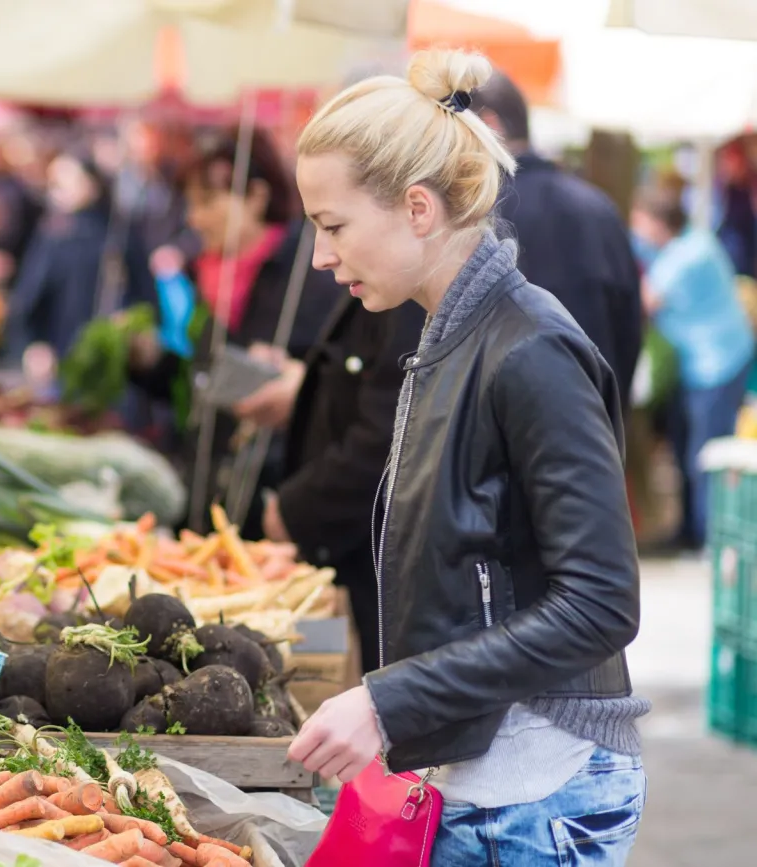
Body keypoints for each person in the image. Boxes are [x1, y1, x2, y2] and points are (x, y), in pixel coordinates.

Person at [286, 50, 648, 864]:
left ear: (417, 207)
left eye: (333, 225)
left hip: (534, 798)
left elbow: (599, 603)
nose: (320, 256)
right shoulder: (452, 334)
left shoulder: (532, 348)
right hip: (487, 787)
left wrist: (386, 702)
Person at [128, 128, 340, 535]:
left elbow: (337, 394)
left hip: (278, 512)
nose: (194, 218)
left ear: (257, 197)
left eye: (207, 202)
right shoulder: (214, 278)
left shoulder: (311, 277)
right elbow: (204, 384)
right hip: (211, 503)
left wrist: (297, 387)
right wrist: (151, 362)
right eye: (190, 204)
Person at [231, 272, 424, 674]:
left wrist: (296, 511)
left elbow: (387, 435)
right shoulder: (390, 293)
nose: (322, 257)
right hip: (356, 560)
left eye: (334, 226)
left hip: (380, 571)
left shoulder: (413, 304)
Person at [471, 71, 644, 411]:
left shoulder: (477, 215)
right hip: (595, 424)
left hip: (507, 436)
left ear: (489, 126)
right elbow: (631, 326)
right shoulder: (599, 207)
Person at [632, 184, 755, 550]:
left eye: (639, 224)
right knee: (687, 446)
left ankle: (709, 540)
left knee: (704, 453)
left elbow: (647, 300)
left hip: (718, 364)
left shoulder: (688, 254)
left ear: (658, 224)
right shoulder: (689, 244)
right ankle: (689, 530)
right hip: (708, 362)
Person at [5, 148, 156, 362]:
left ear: (92, 183)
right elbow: (28, 298)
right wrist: (32, 345)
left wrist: (133, 322)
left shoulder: (118, 232)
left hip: (116, 357)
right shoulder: (52, 236)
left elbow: (145, 294)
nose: (57, 190)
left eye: (65, 181)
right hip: (63, 352)